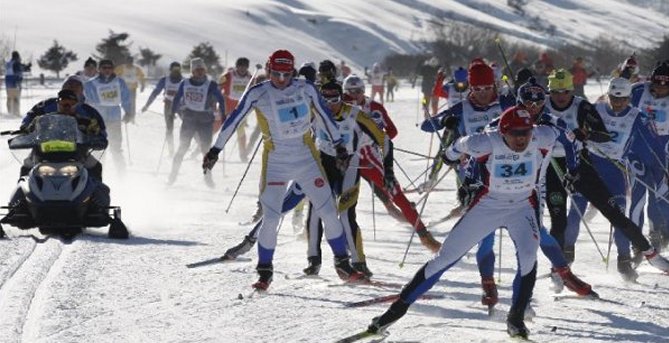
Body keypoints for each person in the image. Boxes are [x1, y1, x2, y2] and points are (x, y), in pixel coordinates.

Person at [367, 106, 578, 339]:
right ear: (503, 132)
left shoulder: (543, 136)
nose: (521, 138)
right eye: (516, 133)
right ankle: (392, 314)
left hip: (522, 207)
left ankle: (516, 319)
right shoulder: (485, 141)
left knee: (529, 258)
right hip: (488, 206)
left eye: (526, 132)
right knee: (444, 259)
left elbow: (569, 137)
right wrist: (451, 159)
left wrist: (574, 165)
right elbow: (457, 147)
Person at [202, 49, 363, 290]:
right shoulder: (259, 93)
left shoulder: (306, 89)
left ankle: (342, 262)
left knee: (329, 211)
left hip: (307, 159)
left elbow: (325, 118)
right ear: (268, 71)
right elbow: (234, 119)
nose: (280, 79)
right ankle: (265, 271)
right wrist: (216, 150)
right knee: (271, 217)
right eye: (276, 74)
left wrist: (340, 146)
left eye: (286, 74)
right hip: (276, 162)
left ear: (293, 72)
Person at [564, 77, 668, 281]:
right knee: (575, 214)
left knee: (619, 217)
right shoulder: (597, 109)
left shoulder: (637, 117)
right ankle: (564, 264)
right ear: (609, 95)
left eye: (622, 99)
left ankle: (623, 262)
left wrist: (661, 167)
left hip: (615, 170)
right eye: (614, 98)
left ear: (629, 98)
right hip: (588, 166)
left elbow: (651, 144)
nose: (618, 103)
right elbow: (577, 131)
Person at [343, 74, 441, 253]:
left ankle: (423, 233)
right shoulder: (340, 108)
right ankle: (342, 243)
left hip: (370, 158)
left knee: (393, 197)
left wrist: (379, 139)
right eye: (349, 92)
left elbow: (392, 131)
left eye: (357, 91)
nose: (354, 95)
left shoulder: (375, 108)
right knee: (344, 200)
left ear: (363, 91)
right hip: (347, 159)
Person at [303, 81, 386, 277]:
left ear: (342, 97)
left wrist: (387, 169)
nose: (330, 104)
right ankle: (313, 260)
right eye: (326, 99)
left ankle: (358, 262)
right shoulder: (315, 112)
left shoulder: (355, 114)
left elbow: (383, 139)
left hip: (349, 166)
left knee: (346, 215)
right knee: (316, 210)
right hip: (324, 164)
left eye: (335, 99)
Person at [629, 61, 669, 251]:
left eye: (665, 86)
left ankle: (657, 233)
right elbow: (618, 100)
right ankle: (636, 241)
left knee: (658, 198)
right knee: (638, 195)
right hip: (639, 150)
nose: (660, 89)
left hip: (664, 152)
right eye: (656, 85)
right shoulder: (638, 91)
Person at [168, 57, 226, 187]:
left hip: (205, 120)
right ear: (192, 71)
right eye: (197, 70)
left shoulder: (211, 85)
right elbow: (177, 98)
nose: (200, 72)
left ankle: (207, 177)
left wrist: (224, 115)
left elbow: (221, 100)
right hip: (189, 118)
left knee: (206, 150)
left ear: (205, 70)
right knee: (183, 147)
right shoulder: (185, 83)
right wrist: (173, 112)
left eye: (202, 69)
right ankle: (172, 175)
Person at [84, 59, 132, 172]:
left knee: (116, 148)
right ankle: (98, 173)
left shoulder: (119, 82)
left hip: (114, 118)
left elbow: (126, 98)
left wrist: (128, 112)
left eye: (109, 68)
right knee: (98, 148)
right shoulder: (91, 83)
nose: (107, 70)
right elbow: (87, 100)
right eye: (104, 68)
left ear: (112, 69)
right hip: (98, 119)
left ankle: (121, 174)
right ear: (99, 69)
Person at [141, 61, 184, 156]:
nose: (176, 71)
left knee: (188, 127)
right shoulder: (165, 80)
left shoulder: (184, 81)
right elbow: (155, 93)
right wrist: (147, 105)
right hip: (169, 106)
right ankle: (171, 151)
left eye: (178, 69)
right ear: (170, 70)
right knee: (169, 129)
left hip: (181, 107)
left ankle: (184, 149)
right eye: (174, 69)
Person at [217, 57, 254, 161]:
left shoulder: (251, 78)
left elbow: (254, 91)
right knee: (220, 129)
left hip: (241, 108)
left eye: (245, 66)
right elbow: (219, 88)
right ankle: (207, 150)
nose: (242, 68)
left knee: (240, 130)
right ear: (236, 66)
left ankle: (243, 153)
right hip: (227, 107)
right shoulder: (229, 76)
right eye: (240, 66)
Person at [5, 51, 31, 117]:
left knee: (10, 98)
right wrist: (27, 67)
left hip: (8, 84)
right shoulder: (16, 63)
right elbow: (19, 69)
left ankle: (10, 112)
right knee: (16, 99)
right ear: (17, 56)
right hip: (15, 83)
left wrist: (25, 67)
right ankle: (16, 113)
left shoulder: (9, 63)